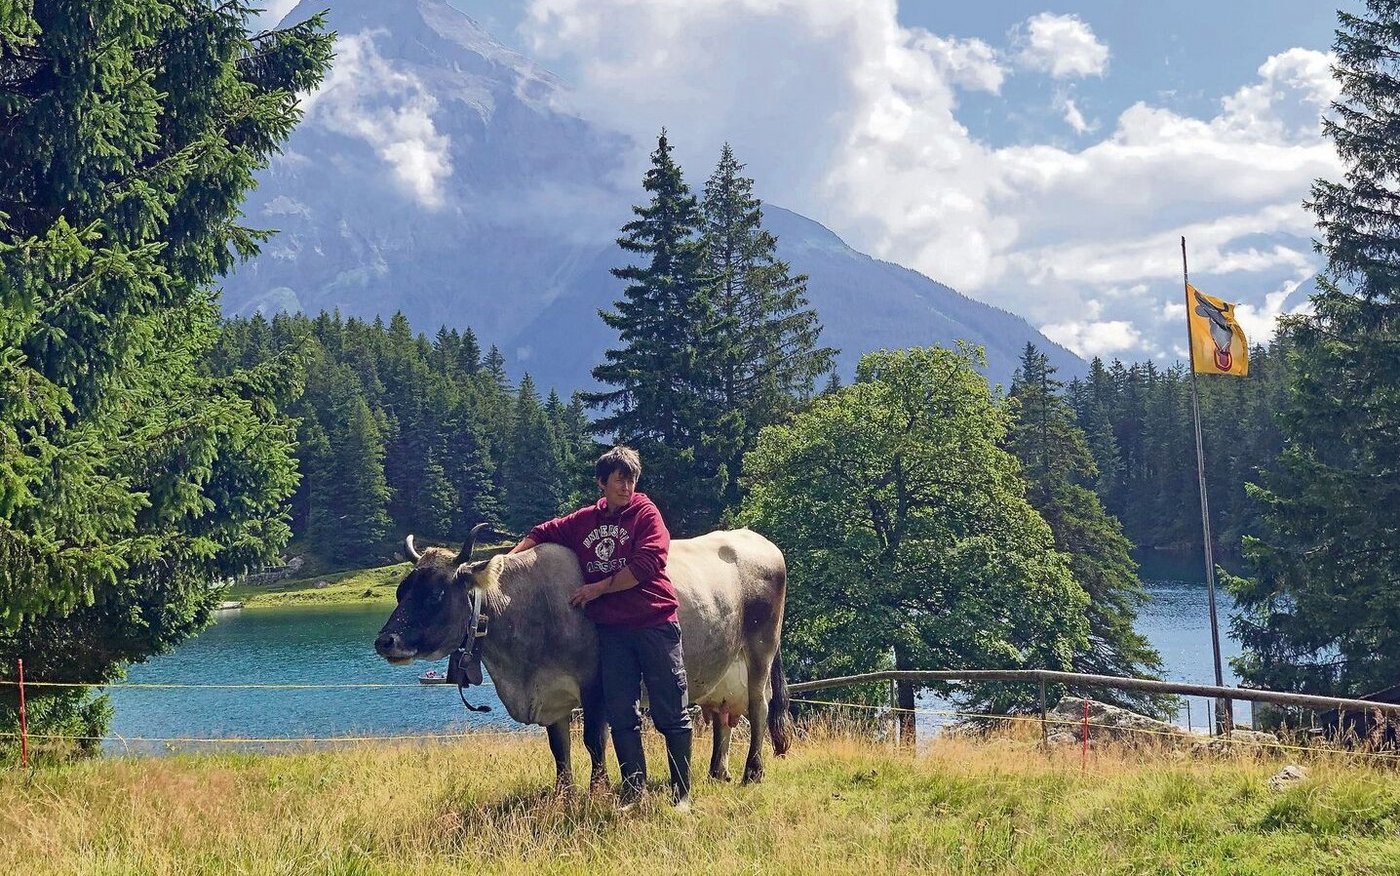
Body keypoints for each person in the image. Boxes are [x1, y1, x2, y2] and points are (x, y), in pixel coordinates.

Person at [509, 445, 692, 810]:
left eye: (632, 480)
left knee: (672, 711)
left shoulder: (645, 513)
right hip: (612, 634)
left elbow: (649, 562)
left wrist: (599, 588)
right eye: (619, 480)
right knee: (622, 714)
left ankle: (682, 792)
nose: (627, 487)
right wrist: (507, 563)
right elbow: (543, 530)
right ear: (602, 483)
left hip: (655, 623)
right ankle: (633, 791)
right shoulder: (585, 520)